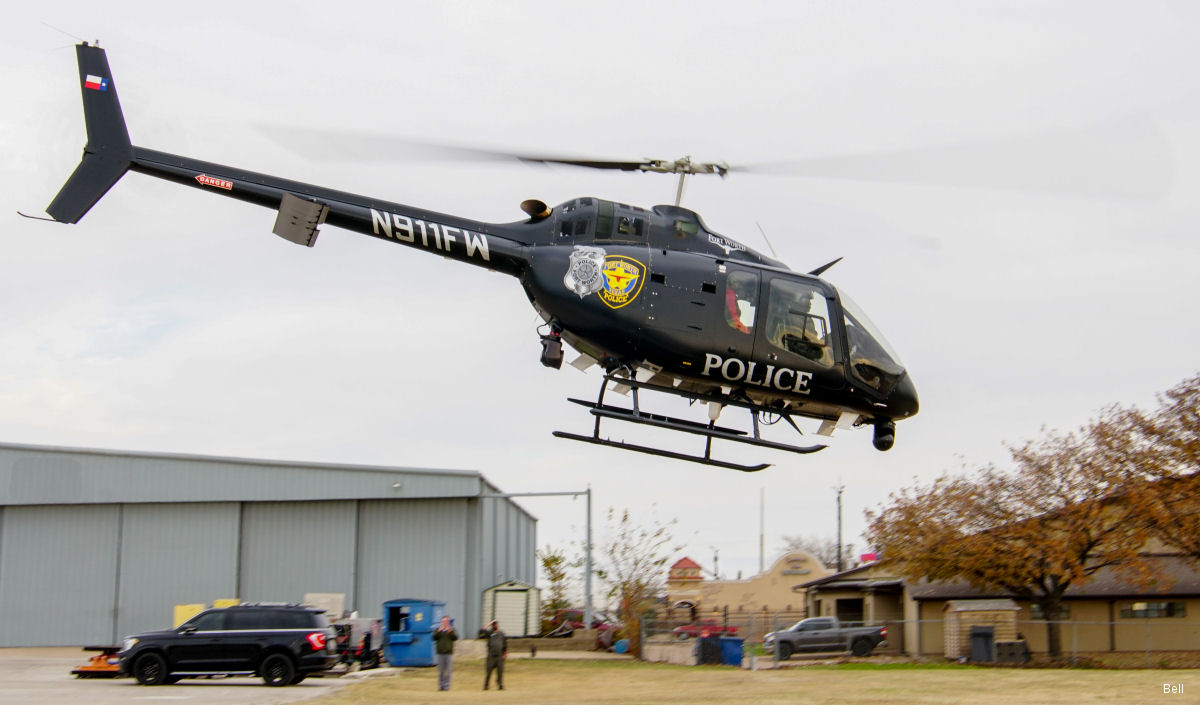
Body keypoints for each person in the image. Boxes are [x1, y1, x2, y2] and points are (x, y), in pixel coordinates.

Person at [432, 616, 457, 691]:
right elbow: (434, 638)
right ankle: (441, 686)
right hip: (440, 653)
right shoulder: (437, 630)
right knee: (441, 671)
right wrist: (439, 631)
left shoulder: (452, 630)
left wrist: (450, 632)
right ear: (441, 622)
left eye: (446, 621)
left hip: (449, 653)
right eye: (443, 621)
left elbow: (455, 638)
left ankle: (447, 687)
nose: (444, 623)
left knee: (448, 671)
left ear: (448, 622)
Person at [481, 620, 507, 690]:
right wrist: (489, 624)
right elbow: (482, 631)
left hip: (499, 656)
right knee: (488, 671)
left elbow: (505, 644)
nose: (495, 625)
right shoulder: (489, 633)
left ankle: (500, 684)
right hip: (491, 656)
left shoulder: (501, 634)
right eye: (493, 624)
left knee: (500, 671)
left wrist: (505, 653)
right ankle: (486, 685)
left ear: (498, 625)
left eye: (496, 624)